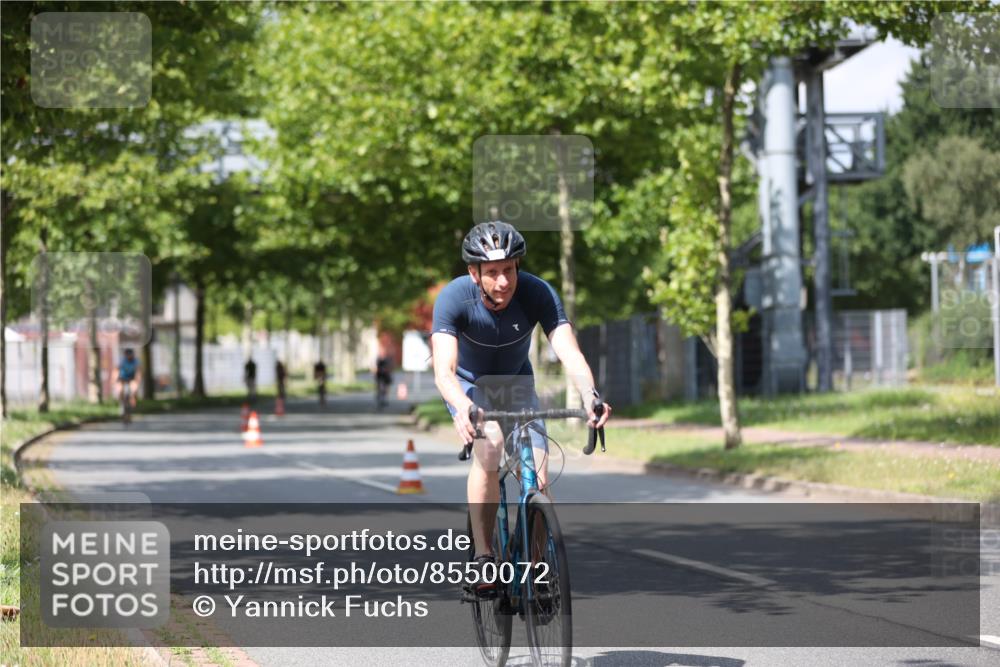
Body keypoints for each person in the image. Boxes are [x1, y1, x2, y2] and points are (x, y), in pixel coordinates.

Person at [431, 220, 611, 596]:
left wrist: (589, 394)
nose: (503, 282)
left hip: (516, 383)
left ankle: (535, 571)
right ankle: (483, 557)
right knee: (491, 444)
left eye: (509, 270)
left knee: (540, 481)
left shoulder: (537, 292)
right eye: (492, 272)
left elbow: (569, 351)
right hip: (470, 387)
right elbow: (444, 370)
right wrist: (463, 407)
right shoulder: (453, 298)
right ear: (473, 273)